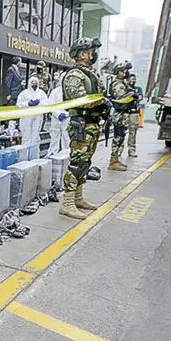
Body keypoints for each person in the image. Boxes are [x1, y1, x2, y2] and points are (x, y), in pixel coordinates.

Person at [59, 37, 108, 219]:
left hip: (92, 124)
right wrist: (102, 101)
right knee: (77, 163)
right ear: (81, 54)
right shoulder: (75, 75)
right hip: (81, 124)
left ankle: (78, 198)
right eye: (91, 52)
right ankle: (67, 203)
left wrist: (103, 102)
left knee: (85, 163)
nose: (93, 55)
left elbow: (100, 93)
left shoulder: (90, 73)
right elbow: (81, 100)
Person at [106, 62, 134, 172]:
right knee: (118, 137)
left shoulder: (122, 83)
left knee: (121, 136)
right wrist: (131, 94)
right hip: (119, 114)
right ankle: (113, 161)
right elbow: (121, 98)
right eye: (123, 71)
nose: (125, 73)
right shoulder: (118, 84)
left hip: (122, 114)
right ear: (118, 72)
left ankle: (115, 159)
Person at [17, 76, 47, 146]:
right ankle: (25, 151)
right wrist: (28, 104)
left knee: (35, 134)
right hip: (26, 116)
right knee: (26, 135)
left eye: (36, 82)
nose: (34, 84)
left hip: (38, 116)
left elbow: (47, 103)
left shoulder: (41, 93)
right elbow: (19, 104)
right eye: (33, 82)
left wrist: (39, 103)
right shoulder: (24, 93)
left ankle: (34, 151)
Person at [45, 70, 69, 155]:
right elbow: (50, 104)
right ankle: (52, 153)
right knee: (54, 136)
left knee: (66, 137)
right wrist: (58, 114)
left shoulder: (70, 92)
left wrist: (66, 114)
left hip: (67, 118)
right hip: (56, 118)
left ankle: (66, 154)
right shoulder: (55, 92)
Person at [125, 74, 142, 157]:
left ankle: (131, 149)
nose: (133, 81)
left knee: (133, 132)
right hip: (125, 112)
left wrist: (134, 95)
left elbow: (140, 97)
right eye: (131, 79)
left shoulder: (137, 89)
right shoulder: (124, 88)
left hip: (134, 112)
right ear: (127, 80)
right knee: (121, 132)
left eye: (134, 79)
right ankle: (119, 149)